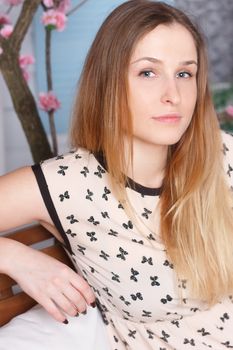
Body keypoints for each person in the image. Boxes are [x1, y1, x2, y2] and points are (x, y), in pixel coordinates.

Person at [0, 0, 233, 349]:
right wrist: (16, 258)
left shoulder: (221, 153)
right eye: (147, 72)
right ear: (108, 82)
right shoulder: (70, 184)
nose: (173, 95)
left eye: (185, 73)